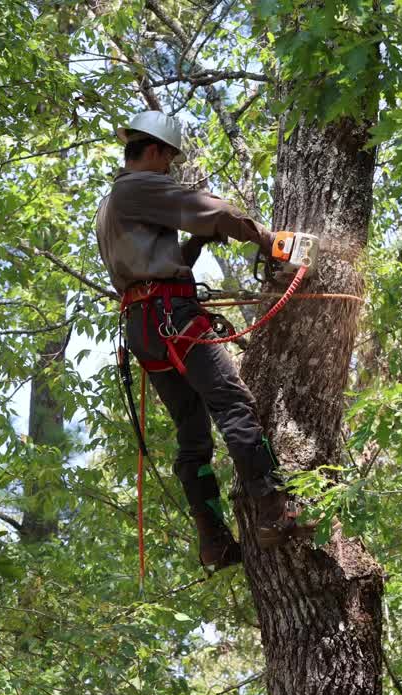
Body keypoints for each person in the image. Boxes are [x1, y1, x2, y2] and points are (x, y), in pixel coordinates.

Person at [95, 110, 313, 570]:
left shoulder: (110, 204)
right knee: (232, 401)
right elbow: (213, 210)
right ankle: (276, 509)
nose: (170, 167)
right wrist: (270, 241)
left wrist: (193, 244)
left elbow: (154, 256)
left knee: (192, 434)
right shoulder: (138, 186)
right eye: (169, 158)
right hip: (170, 317)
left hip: (144, 326)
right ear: (153, 149)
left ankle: (213, 541)